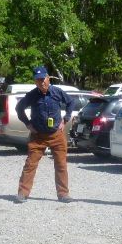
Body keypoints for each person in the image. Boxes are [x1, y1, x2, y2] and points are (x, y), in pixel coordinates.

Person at [15, 66, 74, 203]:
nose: (42, 82)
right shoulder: (32, 95)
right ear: (35, 82)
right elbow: (19, 108)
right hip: (38, 136)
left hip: (56, 135)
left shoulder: (57, 92)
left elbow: (71, 102)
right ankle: (22, 193)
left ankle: (63, 194)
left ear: (48, 78)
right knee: (30, 164)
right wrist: (28, 123)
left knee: (61, 164)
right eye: (38, 80)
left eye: (43, 79)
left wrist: (65, 120)